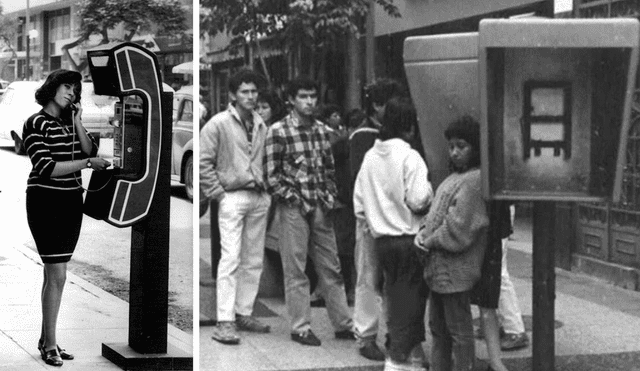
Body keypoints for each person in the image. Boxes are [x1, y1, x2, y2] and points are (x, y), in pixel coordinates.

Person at [22, 69, 110, 367]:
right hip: (45, 202)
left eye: (75, 89)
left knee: (55, 273)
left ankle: (48, 339)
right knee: (57, 273)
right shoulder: (35, 123)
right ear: (52, 87)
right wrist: (86, 163)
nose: (71, 93)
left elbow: (91, 149)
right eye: (66, 87)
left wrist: (77, 121)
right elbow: (46, 166)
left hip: (72, 201)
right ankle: (49, 344)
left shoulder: (69, 122)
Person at [264, 75, 354, 346]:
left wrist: (326, 198)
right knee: (296, 269)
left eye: (313, 96)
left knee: (332, 267)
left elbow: (328, 170)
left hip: (320, 207)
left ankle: (343, 324)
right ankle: (300, 327)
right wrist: (294, 199)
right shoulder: (278, 131)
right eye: (303, 96)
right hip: (292, 208)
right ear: (291, 99)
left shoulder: (321, 130)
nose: (309, 102)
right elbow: (271, 176)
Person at [354, 96, 433, 371]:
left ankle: (414, 358)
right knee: (409, 305)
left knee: (395, 299)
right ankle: (397, 361)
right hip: (410, 239)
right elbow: (419, 199)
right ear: (410, 126)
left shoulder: (370, 157)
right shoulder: (411, 157)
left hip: (381, 241)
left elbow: (359, 204)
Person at [200, 68, 272, 345]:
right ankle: (225, 321)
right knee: (230, 259)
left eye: (254, 91)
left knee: (253, 260)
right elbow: (203, 163)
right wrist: (219, 195)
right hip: (231, 196)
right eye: (245, 91)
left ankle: (244, 312)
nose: (251, 96)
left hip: (258, 196)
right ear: (233, 95)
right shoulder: (218, 124)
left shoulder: (260, 123)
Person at [414, 115, 489, 371]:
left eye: (462, 146)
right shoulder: (454, 178)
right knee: (439, 330)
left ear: (476, 148)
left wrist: (428, 239)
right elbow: (433, 214)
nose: (455, 152)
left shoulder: (474, 180)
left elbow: (458, 228)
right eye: (452, 146)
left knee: (458, 332)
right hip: (438, 270)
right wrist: (422, 232)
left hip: (455, 271)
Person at [350, 77, 406, 361]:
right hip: (372, 223)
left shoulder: (398, 139)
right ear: (376, 105)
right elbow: (360, 184)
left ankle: (392, 332)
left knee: (392, 281)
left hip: (393, 224)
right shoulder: (363, 137)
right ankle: (366, 335)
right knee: (369, 280)